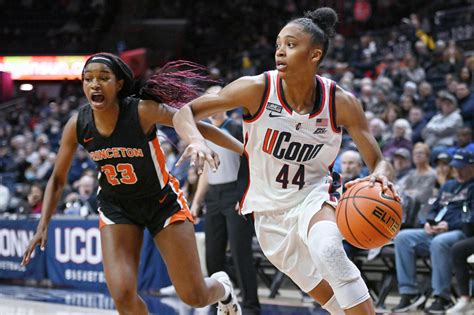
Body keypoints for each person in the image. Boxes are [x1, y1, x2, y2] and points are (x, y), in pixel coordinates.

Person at [173, 7, 397, 315]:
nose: (280, 51)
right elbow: (185, 112)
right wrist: (198, 140)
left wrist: (380, 175)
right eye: (279, 44)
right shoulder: (256, 88)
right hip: (268, 213)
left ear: (315, 54)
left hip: (314, 197)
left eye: (291, 44)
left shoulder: (341, 103)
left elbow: (378, 161)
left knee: (329, 250)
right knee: (331, 301)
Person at [21, 53, 244, 315]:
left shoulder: (140, 110)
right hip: (118, 208)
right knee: (123, 297)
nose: (94, 84)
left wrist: (242, 150)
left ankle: (222, 287)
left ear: (118, 84)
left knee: (194, 295)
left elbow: (191, 121)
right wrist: (42, 223)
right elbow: (57, 179)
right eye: (88, 79)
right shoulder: (77, 124)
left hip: (162, 202)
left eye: (103, 78)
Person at [191, 86, 260, 315]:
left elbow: (253, 164)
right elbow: (205, 174)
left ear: (226, 104)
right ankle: (220, 302)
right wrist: (196, 202)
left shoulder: (237, 128)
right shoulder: (203, 131)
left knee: (241, 254)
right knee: (213, 255)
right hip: (213, 197)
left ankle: (251, 306)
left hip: (236, 195)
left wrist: (247, 196)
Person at [392, 149, 474, 313]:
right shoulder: (448, 185)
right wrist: (428, 223)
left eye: (462, 167)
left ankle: (441, 297)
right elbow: (433, 208)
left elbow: (471, 218)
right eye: (456, 167)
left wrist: (448, 226)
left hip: (458, 233)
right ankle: (409, 293)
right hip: (435, 230)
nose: (458, 171)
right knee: (402, 238)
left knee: (439, 242)